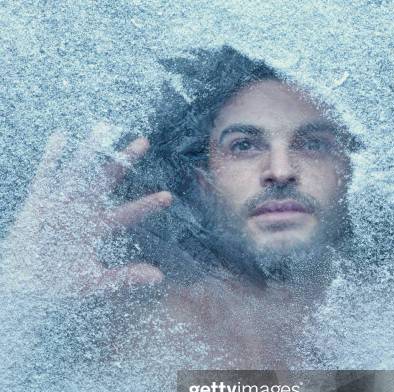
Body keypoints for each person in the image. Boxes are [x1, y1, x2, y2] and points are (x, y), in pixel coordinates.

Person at [1, 46, 362, 367]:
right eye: (243, 146)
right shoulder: (152, 339)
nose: (280, 171)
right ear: (206, 180)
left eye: (313, 144)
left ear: (352, 172)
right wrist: (26, 301)